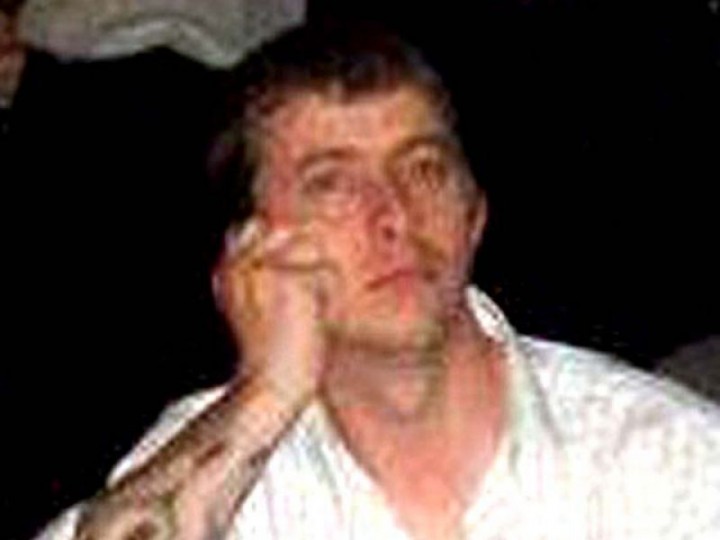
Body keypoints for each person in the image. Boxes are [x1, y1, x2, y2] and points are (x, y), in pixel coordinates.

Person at [35, 20, 720, 540]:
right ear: (247, 257)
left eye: (424, 168)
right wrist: (266, 395)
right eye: (331, 184)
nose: (394, 214)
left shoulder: (659, 453)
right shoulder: (217, 462)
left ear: (475, 213)